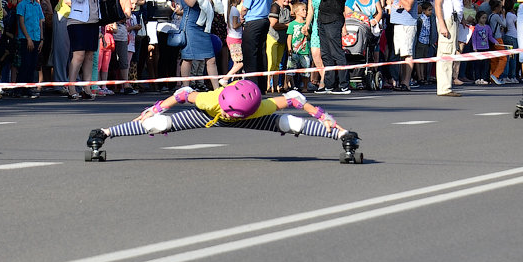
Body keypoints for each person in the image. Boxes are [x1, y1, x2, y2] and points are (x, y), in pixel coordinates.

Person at [84, 79, 362, 163]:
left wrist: (328, 120)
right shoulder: (210, 100)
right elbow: (183, 94)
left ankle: (345, 139)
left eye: (232, 114)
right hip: (206, 117)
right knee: (158, 124)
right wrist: (155, 108)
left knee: (290, 123)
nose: (229, 117)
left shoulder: (259, 107)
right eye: (229, 112)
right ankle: (104, 134)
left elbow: (294, 99)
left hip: (251, 118)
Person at [309, 0, 350, 94]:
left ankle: (344, 84)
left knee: (336, 52)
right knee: (325, 54)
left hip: (333, 19)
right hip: (322, 19)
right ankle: (329, 84)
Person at [433, 0, 464, 96]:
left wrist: (462, 17)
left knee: (451, 51)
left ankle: (448, 85)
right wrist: (442, 24)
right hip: (446, 19)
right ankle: (444, 88)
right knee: (445, 52)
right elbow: (438, 4)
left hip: (455, 18)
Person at [239, 0, 274, 78]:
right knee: (261, 53)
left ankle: (252, 83)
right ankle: (262, 85)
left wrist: (242, 16)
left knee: (250, 54)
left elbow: (244, 8)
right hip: (264, 20)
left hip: (253, 21)